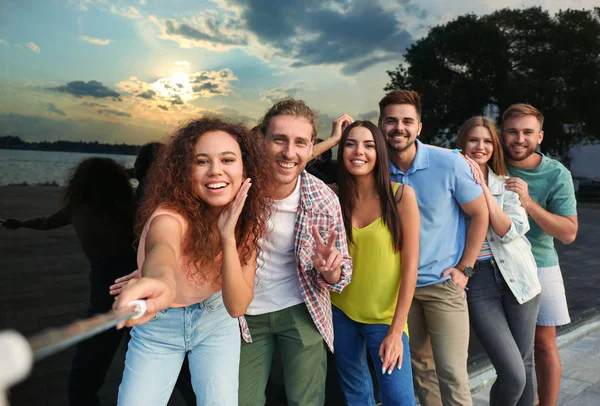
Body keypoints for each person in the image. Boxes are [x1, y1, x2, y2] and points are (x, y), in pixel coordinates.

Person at [312, 90, 489, 405]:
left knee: (451, 374)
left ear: (419, 127)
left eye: (408, 121)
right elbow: (285, 170)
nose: (399, 128)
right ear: (382, 127)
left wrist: (465, 267)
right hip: (364, 301)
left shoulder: (446, 163)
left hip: (436, 284)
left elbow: (480, 214)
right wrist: (333, 141)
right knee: (422, 375)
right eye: (391, 121)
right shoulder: (342, 190)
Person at [111, 117, 273, 406]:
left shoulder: (246, 226)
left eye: (227, 159)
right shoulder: (169, 216)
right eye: (201, 161)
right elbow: (163, 250)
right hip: (159, 326)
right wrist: (157, 282)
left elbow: (236, 307)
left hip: (216, 321)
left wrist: (227, 236)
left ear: (245, 168)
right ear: (185, 170)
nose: (216, 171)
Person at [238, 98, 352, 406]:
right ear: (261, 140)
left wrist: (330, 270)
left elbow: (342, 274)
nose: (290, 152)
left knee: (306, 401)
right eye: (279, 139)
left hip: (302, 306)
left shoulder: (323, 199)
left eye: (301, 142)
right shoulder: (237, 190)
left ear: (311, 145)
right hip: (244, 314)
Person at [2, 157, 137, 406]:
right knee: (142, 344)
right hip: (135, 276)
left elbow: (45, 222)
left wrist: (20, 223)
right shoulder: (126, 207)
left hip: (108, 286)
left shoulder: (78, 207)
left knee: (88, 367)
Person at [330, 120, 419, 405]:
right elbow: (284, 171)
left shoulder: (401, 196)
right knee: (356, 396)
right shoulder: (332, 195)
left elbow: (410, 268)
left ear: (380, 152)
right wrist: (332, 138)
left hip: (385, 317)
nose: (359, 152)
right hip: (340, 311)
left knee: (399, 399)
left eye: (369, 145)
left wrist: (396, 330)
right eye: (350, 144)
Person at [456, 116, 541, 406]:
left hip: (519, 277)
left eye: (487, 141)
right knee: (513, 373)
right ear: (462, 143)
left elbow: (507, 231)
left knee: (525, 364)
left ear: (495, 146)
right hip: (478, 281)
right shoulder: (449, 181)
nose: (480, 146)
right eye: (473, 140)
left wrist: (483, 186)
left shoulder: (506, 185)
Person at [501, 104, 578, 406]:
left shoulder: (556, 173)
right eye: (512, 132)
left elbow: (569, 233)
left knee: (543, 345)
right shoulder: (488, 163)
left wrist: (529, 203)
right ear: (502, 133)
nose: (519, 139)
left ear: (540, 136)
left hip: (540, 265)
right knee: (508, 350)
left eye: (527, 132)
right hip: (497, 265)